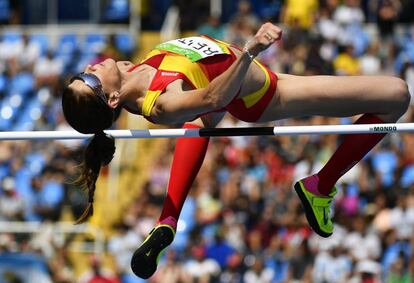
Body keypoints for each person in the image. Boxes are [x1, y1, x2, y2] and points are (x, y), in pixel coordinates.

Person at [61, 22, 410, 279]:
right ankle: (320, 187)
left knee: (199, 123)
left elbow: (203, 105)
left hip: (257, 77)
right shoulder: (160, 101)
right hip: (268, 94)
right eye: (89, 79)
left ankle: (167, 220)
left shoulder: (126, 70)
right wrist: (250, 50)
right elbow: (215, 98)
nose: (90, 68)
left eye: (82, 72)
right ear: (111, 99)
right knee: (395, 96)